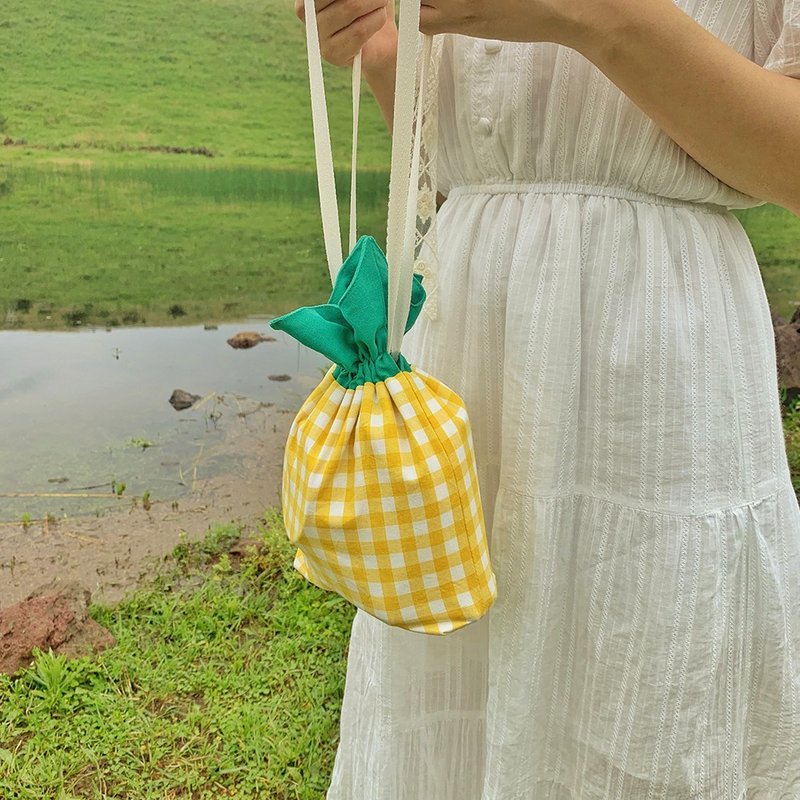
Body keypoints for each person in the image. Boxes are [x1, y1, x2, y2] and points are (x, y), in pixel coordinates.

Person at [295, 0, 800, 796]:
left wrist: (590, 16)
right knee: (458, 708)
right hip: (468, 326)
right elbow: (460, 168)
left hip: (650, 358)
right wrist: (385, 51)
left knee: (642, 694)